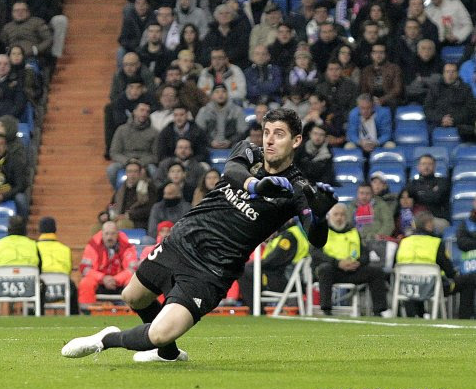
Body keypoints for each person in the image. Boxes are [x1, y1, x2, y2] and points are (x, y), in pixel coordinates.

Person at [62, 108, 337, 362]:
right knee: (133, 296)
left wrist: (321, 217)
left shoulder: (298, 188)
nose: (269, 140)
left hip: (212, 270)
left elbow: (317, 239)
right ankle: (167, 354)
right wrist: (256, 185)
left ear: (297, 140)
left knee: (159, 332)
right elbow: (232, 170)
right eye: (267, 132)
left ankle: (105, 339)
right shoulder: (249, 152)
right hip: (183, 240)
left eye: (279, 134)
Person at [310, 203, 389, 316]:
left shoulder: (354, 232)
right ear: (329, 216)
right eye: (336, 214)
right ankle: (326, 309)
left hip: (353, 270)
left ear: (346, 217)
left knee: (376, 272)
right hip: (333, 270)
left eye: (342, 215)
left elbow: (365, 254)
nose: (339, 218)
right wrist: (338, 263)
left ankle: (379, 311)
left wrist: (358, 263)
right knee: (324, 269)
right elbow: (315, 253)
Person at [398, 211, 476, 319]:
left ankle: (419, 314)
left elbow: (396, 265)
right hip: (432, 288)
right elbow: (449, 270)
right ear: (428, 224)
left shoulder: (404, 242)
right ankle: (465, 317)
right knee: (470, 279)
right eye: (431, 223)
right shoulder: (435, 243)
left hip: (408, 288)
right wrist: (455, 275)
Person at [239, 221, 309, 314]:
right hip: (283, 277)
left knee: (245, 271)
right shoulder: (285, 233)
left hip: (285, 279)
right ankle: (256, 309)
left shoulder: (290, 235)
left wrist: (255, 265)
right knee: (247, 270)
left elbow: (275, 260)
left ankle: (257, 311)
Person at [78, 221, 138, 312]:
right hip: (100, 282)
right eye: (107, 234)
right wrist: (103, 278)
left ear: (118, 234)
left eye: (113, 233)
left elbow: (133, 268)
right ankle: (87, 312)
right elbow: (85, 268)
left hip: (120, 282)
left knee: (133, 281)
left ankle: (132, 311)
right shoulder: (93, 245)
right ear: (102, 234)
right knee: (86, 282)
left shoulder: (127, 246)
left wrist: (116, 279)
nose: (109, 237)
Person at [107, 101, 159, 185]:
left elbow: (155, 155)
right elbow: (114, 152)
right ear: (134, 112)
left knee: (154, 171)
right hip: (125, 160)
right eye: (142, 110)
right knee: (111, 169)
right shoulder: (121, 130)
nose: (144, 113)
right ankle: (119, 192)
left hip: (145, 162)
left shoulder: (154, 132)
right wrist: (128, 161)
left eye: (147, 112)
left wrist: (141, 162)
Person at [36, 216, 79, 315]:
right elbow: (68, 271)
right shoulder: (65, 249)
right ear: (55, 230)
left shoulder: (34, 247)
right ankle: (74, 316)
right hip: (61, 290)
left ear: (40, 230)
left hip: (41, 290)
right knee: (72, 286)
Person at [406, 154, 450, 232]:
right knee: (407, 229)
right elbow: (406, 201)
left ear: (434, 166)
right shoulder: (412, 183)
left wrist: (420, 193)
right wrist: (431, 192)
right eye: (423, 164)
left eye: (429, 164)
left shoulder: (442, 181)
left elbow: (436, 198)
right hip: (418, 218)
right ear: (418, 167)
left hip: (437, 218)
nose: (426, 167)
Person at [108, 159, 156, 230]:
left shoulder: (148, 187)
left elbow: (150, 209)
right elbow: (112, 204)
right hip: (120, 218)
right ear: (126, 173)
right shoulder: (121, 188)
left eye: (135, 171)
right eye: (129, 171)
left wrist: (128, 216)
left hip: (138, 222)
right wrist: (106, 214)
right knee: (98, 227)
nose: (132, 174)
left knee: (120, 224)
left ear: (140, 173)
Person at [195, 84, 246, 150]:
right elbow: (199, 131)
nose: (220, 94)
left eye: (223, 91)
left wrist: (230, 141)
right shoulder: (204, 111)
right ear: (212, 95)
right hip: (208, 148)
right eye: (217, 92)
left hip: (233, 147)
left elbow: (242, 132)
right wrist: (211, 142)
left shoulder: (237, 111)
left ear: (227, 94)